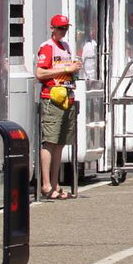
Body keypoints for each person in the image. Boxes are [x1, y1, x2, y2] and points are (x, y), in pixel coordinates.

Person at [35, 13, 81, 199]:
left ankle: (55, 184)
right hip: (52, 97)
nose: (63, 31)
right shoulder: (47, 47)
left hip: (66, 97)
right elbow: (40, 73)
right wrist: (65, 69)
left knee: (61, 142)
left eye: (65, 28)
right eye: (60, 28)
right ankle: (46, 184)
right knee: (50, 140)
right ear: (52, 28)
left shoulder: (66, 47)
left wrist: (74, 69)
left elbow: (68, 71)